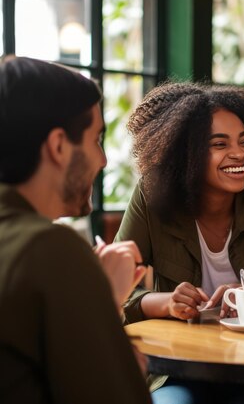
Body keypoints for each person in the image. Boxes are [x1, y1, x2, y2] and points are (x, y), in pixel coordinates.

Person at [115, 82, 244, 403]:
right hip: (176, 369)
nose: (238, 154)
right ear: (185, 153)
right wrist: (166, 303)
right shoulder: (152, 196)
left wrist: (239, 297)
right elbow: (115, 291)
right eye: (219, 144)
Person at [0, 56, 151, 404]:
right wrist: (109, 300)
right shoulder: (50, 249)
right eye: (96, 139)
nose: (103, 160)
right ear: (58, 146)